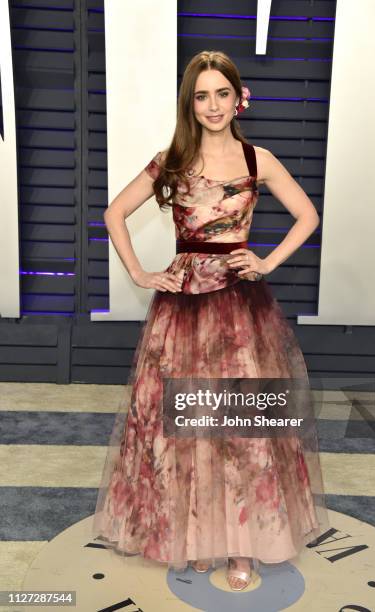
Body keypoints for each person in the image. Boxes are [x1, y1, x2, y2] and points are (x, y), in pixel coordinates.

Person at [91, 49, 329, 591]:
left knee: (240, 425)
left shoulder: (256, 160)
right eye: (201, 95)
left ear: (237, 97)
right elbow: (113, 213)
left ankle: (242, 546)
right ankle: (199, 539)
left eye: (222, 93)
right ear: (189, 102)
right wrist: (142, 273)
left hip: (242, 312)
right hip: (182, 310)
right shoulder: (170, 161)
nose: (213, 105)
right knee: (185, 426)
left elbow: (307, 214)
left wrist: (266, 261)